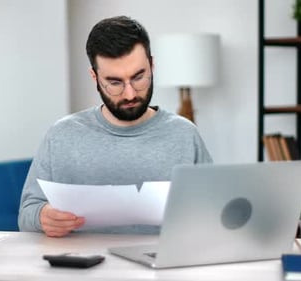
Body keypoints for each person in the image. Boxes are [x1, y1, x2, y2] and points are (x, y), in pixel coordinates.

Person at [18, 15, 212, 237]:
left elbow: (215, 211)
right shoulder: (61, 135)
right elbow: (26, 215)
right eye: (115, 83)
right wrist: (43, 216)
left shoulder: (184, 134)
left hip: (162, 266)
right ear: (95, 77)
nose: (130, 94)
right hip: (80, 268)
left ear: (152, 65)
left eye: (139, 77)